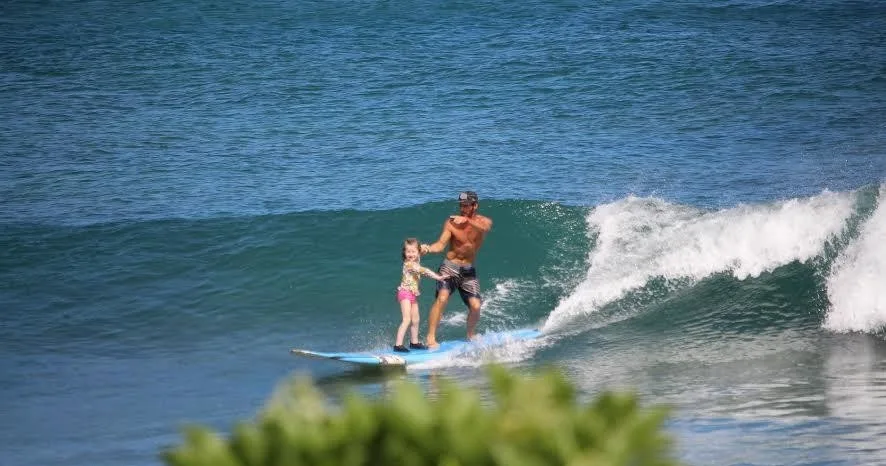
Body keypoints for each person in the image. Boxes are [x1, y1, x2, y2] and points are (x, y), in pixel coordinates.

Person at [420, 191, 493, 349]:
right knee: (442, 298)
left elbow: (485, 228)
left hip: (468, 271)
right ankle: (430, 337)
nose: (462, 208)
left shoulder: (482, 221)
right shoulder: (451, 223)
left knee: (475, 306)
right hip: (450, 267)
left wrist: (466, 220)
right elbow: (440, 245)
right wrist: (427, 249)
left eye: (466, 205)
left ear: (475, 205)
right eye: (461, 205)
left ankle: (471, 335)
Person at [394, 238, 448, 352]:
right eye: (408, 252)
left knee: (416, 319)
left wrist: (424, 248)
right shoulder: (409, 265)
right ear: (404, 253)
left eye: (413, 252)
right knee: (407, 319)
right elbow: (424, 271)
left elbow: (421, 250)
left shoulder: (416, 257)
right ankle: (398, 345)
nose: (410, 254)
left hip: (413, 294)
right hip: (405, 293)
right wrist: (438, 277)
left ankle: (414, 342)